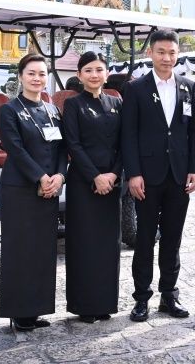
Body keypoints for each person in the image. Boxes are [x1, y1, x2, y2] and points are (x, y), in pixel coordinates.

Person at [121, 29, 195, 322]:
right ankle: (141, 298)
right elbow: (128, 135)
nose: (167, 58)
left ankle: (170, 295)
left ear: (177, 54)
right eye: (161, 52)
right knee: (144, 238)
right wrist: (133, 174)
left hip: (179, 176)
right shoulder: (135, 89)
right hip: (147, 176)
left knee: (173, 238)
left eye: (172, 53)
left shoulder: (189, 87)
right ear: (150, 54)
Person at [0, 53, 67, 332]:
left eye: (41, 74)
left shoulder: (52, 111)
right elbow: (15, 148)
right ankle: (19, 312)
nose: (37, 79)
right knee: (20, 251)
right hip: (20, 189)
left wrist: (59, 177)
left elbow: (61, 148)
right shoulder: (10, 110)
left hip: (49, 189)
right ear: (21, 76)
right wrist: (40, 177)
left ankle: (36, 309)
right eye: (31, 73)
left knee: (42, 250)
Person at [60, 51, 122, 322]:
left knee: (109, 245)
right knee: (84, 244)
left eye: (99, 70)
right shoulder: (73, 105)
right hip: (84, 184)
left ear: (106, 73)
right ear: (79, 75)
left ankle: (105, 303)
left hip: (112, 183)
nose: (94, 75)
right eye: (88, 71)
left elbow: (124, 142)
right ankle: (85, 305)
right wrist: (95, 176)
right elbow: (73, 144)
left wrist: (113, 175)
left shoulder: (116, 103)